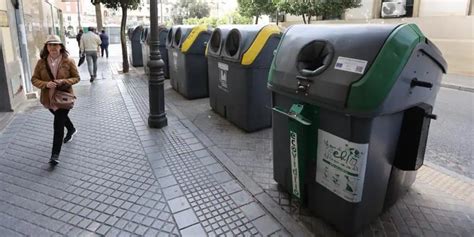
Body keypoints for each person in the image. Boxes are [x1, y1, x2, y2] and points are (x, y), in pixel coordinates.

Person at [31, 35, 80, 165]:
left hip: (64, 98)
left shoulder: (68, 61)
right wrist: (46, 84)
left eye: (55, 44)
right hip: (48, 99)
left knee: (58, 125)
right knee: (62, 120)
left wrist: (63, 81)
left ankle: (54, 155)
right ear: (46, 47)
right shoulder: (41, 62)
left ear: (61, 46)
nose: (53, 47)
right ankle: (71, 129)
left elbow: (76, 78)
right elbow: (34, 79)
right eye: (50, 45)